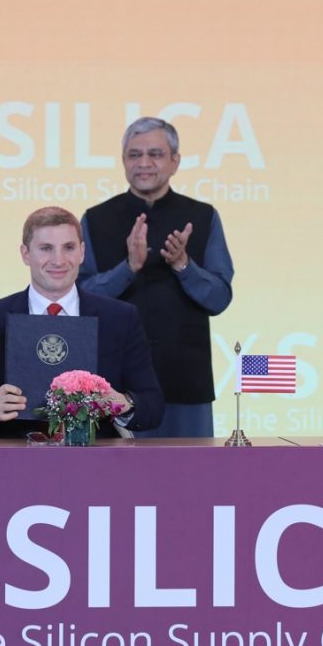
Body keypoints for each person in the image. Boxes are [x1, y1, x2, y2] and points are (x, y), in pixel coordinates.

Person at [0, 206, 164, 439]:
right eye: (46, 248)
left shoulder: (119, 319)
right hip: (14, 456)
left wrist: (122, 403)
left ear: (82, 252)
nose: (58, 260)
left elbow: (153, 406)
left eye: (69, 247)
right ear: (25, 254)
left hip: (96, 456)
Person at [78, 117, 233, 438]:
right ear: (123, 161)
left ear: (175, 161)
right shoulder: (96, 218)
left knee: (189, 470)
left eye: (156, 154)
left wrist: (184, 265)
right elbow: (80, 298)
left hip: (185, 380)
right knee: (114, 471)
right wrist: (128, 268)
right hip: (113, 384)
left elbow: (219, 298)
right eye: (134, 155)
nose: (144, 163)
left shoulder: (202, 216)